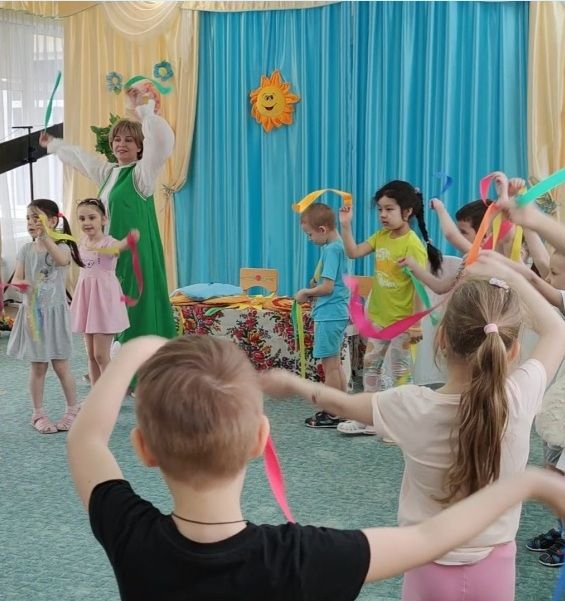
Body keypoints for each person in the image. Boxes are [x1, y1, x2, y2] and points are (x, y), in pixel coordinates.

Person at [68, 334, 565, 601]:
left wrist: (135, 350)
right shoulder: (303, 558)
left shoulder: (129, 533)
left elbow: (86, 438)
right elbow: (431, 537)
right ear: (260, 440)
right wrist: (528, 482)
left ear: (144, 448)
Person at [262, 251, 565, 601]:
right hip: (495, 567)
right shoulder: (519, 396)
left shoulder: (408, 404)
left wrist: (294, 384)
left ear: (441, 339)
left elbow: (340, 404)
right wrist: (511, 277)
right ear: (512, 352)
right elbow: (557, 329)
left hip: (426, 564)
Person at [39, 95, 176, 348]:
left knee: (134, 302)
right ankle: (111, 355)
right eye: (117, 139)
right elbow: (82, 159)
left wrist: (145, 113)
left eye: (129, 140)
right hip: (108, 254)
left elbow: (161, 142)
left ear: (140, 147)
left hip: (133, 251)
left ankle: (138, 359)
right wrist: (55, 145)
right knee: (111, 305)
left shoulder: (142, 175)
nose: (121, 144)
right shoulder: (109, 172)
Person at [338, 180, 442, 435]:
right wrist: (345, 225)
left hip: (402, 324)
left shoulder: (412, 244)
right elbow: (353, 252)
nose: (383, 215)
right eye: (380, 209)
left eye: (389, 209)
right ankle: (368, 419)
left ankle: (401, 424)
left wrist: (415, 324)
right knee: (370, 366)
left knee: (400, 373)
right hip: (378, 319)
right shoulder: (381, 236)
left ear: (407, 211)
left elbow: (418, 287)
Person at [7, 199, 83, 433]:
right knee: (38, 367)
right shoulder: (25, 250)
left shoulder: (62, 246)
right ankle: (37, 414)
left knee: (61, 366)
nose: (30, 222)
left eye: (35, 218)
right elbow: (16, 278)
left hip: (56, 316)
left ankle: (73, 410)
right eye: (28, 218)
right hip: (34, 317)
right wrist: (22, 284)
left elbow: (62, 261)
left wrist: (45, 237)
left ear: (52, 221)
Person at [71, 198, 139, 384]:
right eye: (82, 218)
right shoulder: (82, 242)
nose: (86, 222)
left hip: (103, 302)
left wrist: (127, 241)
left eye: (91, 217)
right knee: (92, 356)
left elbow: (119, 247)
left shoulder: (109, 243)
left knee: (101, 355)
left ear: (103, 219)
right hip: (87, 301)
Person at [294, 203, 350, 428]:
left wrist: (306, 293)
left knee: (330, 366)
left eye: (309, 234)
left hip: (329, 313)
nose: (309, 239)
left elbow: (327, 287)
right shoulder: (338, 245)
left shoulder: (331, 250)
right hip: (336, 312)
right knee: (335, 364)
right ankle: (343, 409)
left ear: (322, 229)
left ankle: (332, 412)